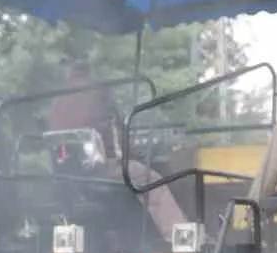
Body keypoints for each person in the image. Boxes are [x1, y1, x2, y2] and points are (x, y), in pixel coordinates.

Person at [46, 61, 187, 242]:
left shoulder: (58, 100)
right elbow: (111, 133)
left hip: (67, 175)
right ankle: (181, 240)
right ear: (87, 71)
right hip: (100, 170)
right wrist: (134, 152)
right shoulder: (95, 93)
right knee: (152, 180)